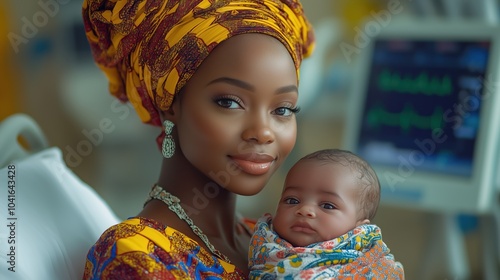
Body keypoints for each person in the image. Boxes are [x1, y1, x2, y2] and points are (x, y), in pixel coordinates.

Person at [81, 0, 315, 278]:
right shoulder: (137, 258)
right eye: (229, 102)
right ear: (169, 103)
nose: (263, 132)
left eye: (283, 109)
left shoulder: (271, 241)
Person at [248, 149, 405, 279]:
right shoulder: (261, 244)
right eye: (292, 200)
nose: (305, 210)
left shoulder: (370, 264)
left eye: (327, 205)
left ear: (359, 229)